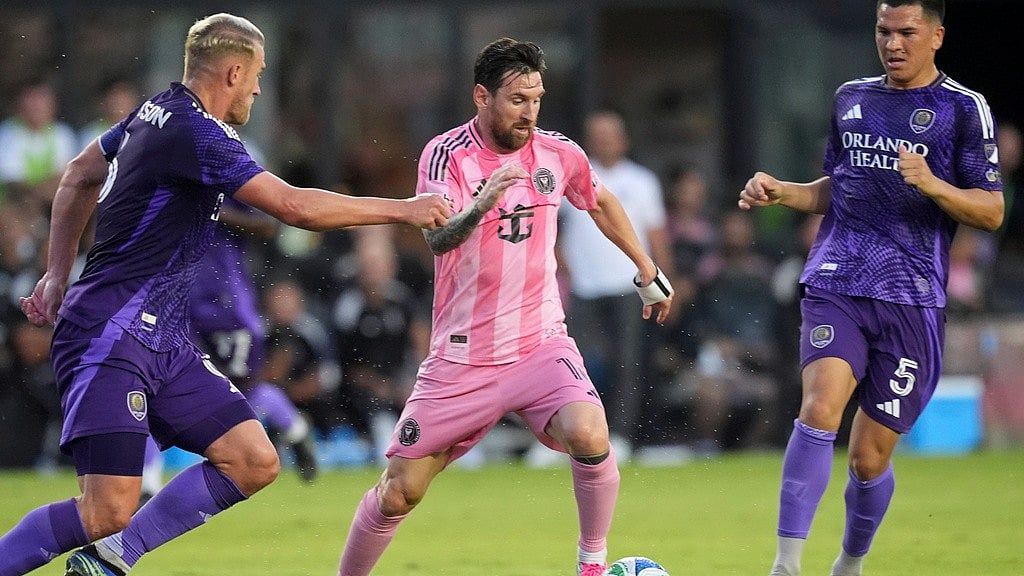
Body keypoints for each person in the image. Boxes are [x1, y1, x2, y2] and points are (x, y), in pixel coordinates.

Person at [2, 13, 450, 576]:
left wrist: (55, 274)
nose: (259, 89)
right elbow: (293, 207)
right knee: (106, 510)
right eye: (258, 76)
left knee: (253, 459)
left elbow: (78, 175)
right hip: (111, 332)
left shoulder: (154, 111)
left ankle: (112, 560)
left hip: (163, 339)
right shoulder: (197, 133)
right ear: (234, 73)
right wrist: (403, 210)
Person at [336, 38, 673, 576]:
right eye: (517, 100)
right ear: (482, 96)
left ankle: (591, 566)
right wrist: (483, 202)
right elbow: (437, 238)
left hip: (540, 342)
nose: (529, 112)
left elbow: (600, 200)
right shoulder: (446, 154)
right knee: (400, 492)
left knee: (590, 433)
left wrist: (645, 264)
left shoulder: (558, 153)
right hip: (463, 356)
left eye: (536, 99)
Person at [738, 2, 1004, 575]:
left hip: (912, 298)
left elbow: (991, 211)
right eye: (884, 31)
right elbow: (841, 187)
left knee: (867, 458)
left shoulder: (963, 108)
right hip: (839, 278)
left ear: (937, 35)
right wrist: (785, 191)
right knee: (819, 407)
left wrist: (933, 184)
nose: (893, 43)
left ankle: (850, 564)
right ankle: (785, 565)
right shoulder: (851, 98)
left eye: (907, 32)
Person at [558, 110, 675, 459]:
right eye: (598, 136)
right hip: (584, 286)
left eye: (610, 136)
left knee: (628, 364)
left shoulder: (642, 181)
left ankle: (621, 435)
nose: (605, 142)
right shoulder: (572, 177)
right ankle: (571, 435)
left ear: (624, 140)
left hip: (628, 286)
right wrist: (564, 269)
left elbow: (656, 235)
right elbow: (554, 232)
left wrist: (665, 281)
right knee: (573, 363)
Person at [189, 195, 319, 482]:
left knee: (240, 384)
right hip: (175, 297)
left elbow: (267, 225)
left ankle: (294, 427)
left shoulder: (225, 172)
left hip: (225, 302)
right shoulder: (156, 173)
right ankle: (147, 484)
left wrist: (212, 210)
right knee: (155, 382)